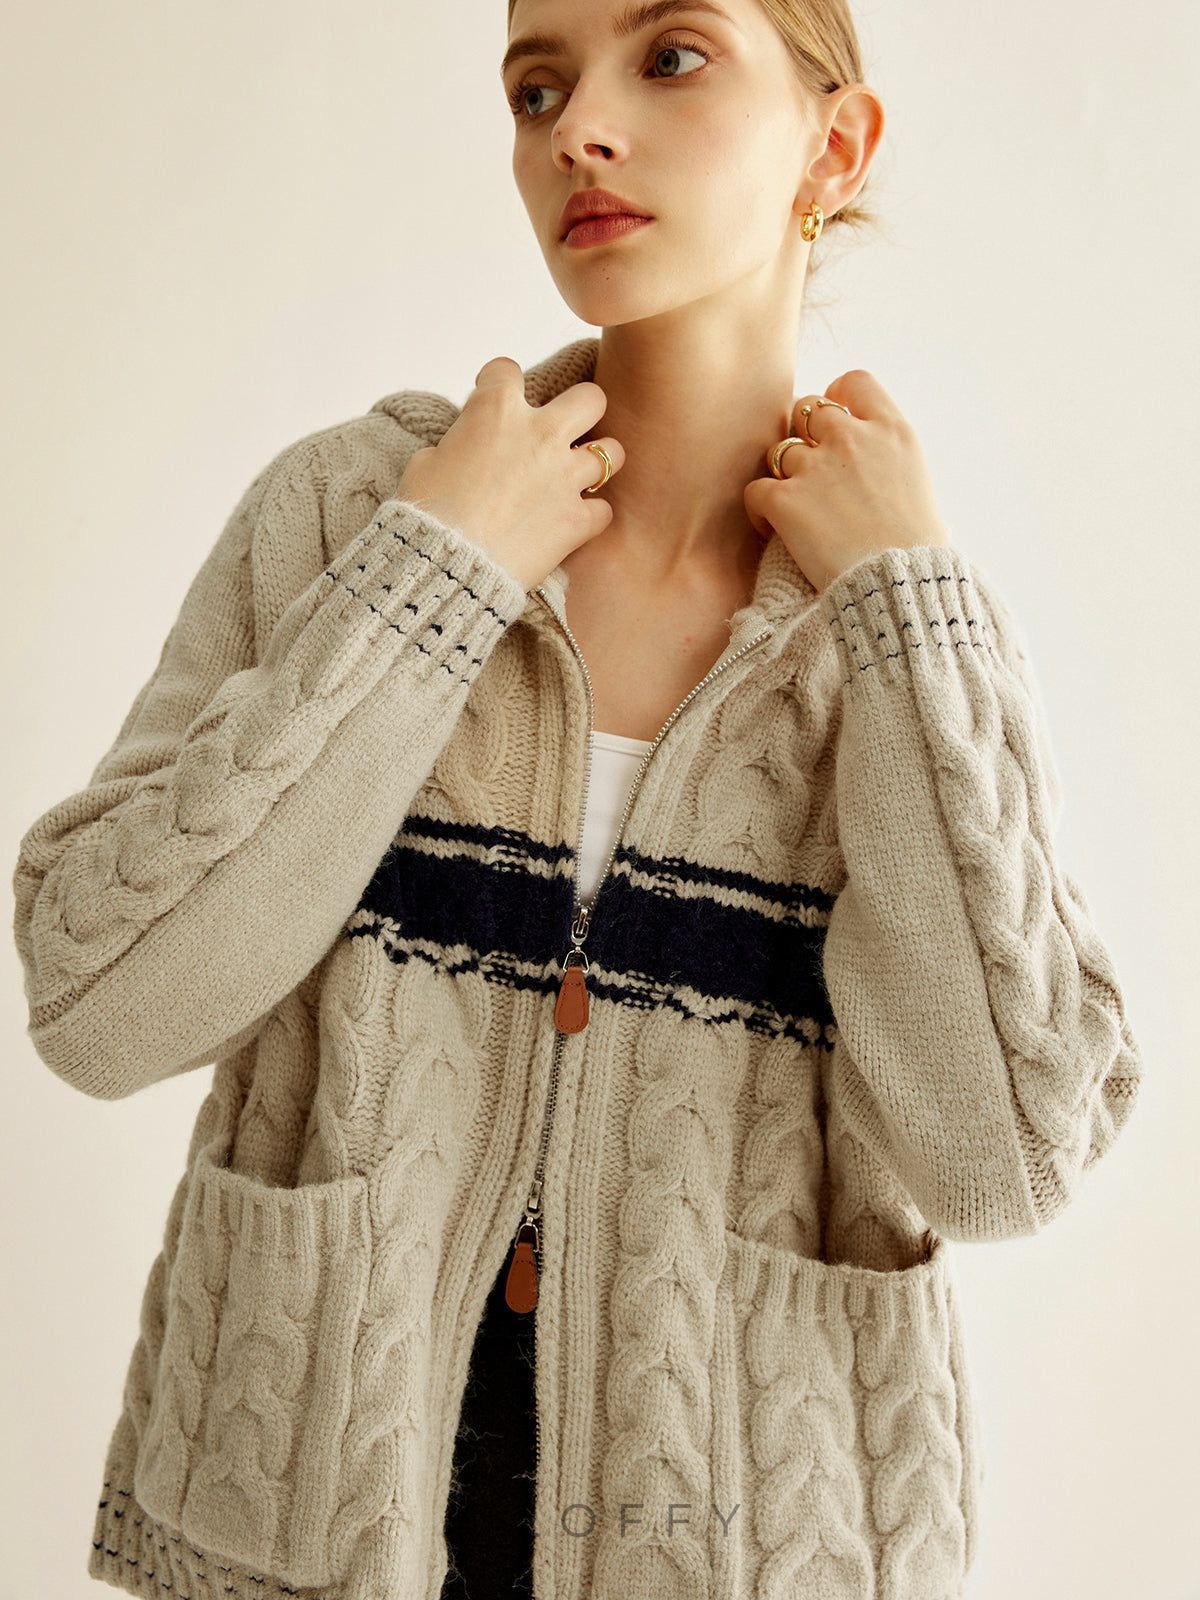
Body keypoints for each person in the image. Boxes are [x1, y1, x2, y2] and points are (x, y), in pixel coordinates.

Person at [13, 1, 1143, 1598]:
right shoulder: (361, 516)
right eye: (536, 88)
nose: (578, 132)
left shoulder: (894, 641)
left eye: (669, 56)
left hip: (738, 1546)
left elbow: (1006, 1160)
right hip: (311, 1523)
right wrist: (435, 574)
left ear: (835, 145)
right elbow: (98, 1003)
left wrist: (903, 613)